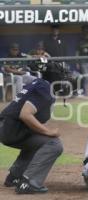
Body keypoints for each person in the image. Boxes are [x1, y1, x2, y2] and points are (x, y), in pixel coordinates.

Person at [0, 62, 69, 194]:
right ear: (55, 77)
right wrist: (48, 131)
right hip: (11, 129)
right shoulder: (45, 88)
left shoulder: (39, 83)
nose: (65, 80)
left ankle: (15, 176)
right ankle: (29, 182)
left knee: (40, 141)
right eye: (62, 76)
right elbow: (25, 115)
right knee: (54, 144)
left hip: (8, 127)